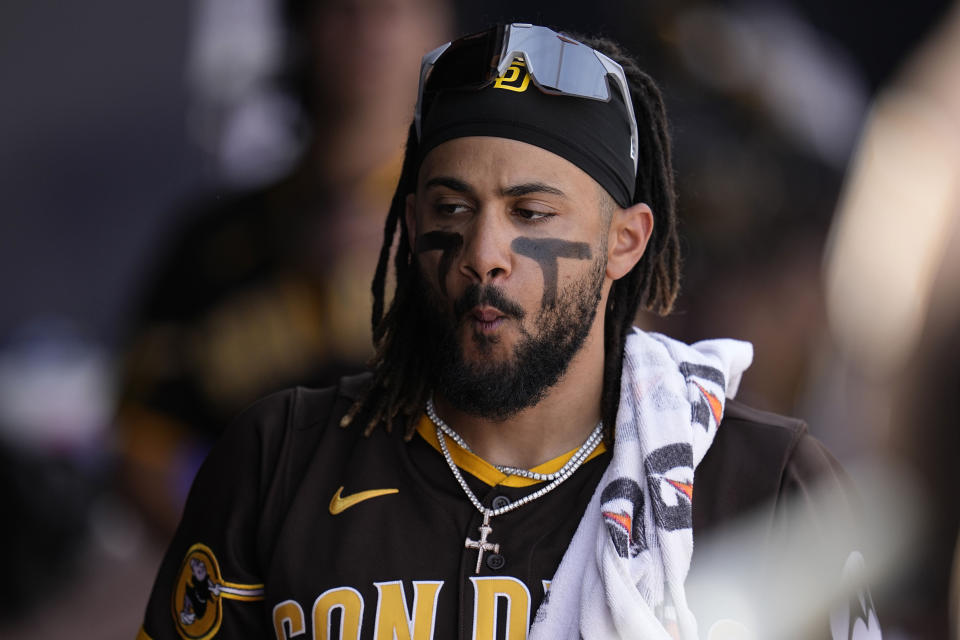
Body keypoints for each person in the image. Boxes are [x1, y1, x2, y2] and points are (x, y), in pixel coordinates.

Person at [137, 24, 879, 639]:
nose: (484, 254)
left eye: (531, 213)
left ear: (626, 240)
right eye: (452, 209)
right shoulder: (278, 463)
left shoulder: (761, 483)